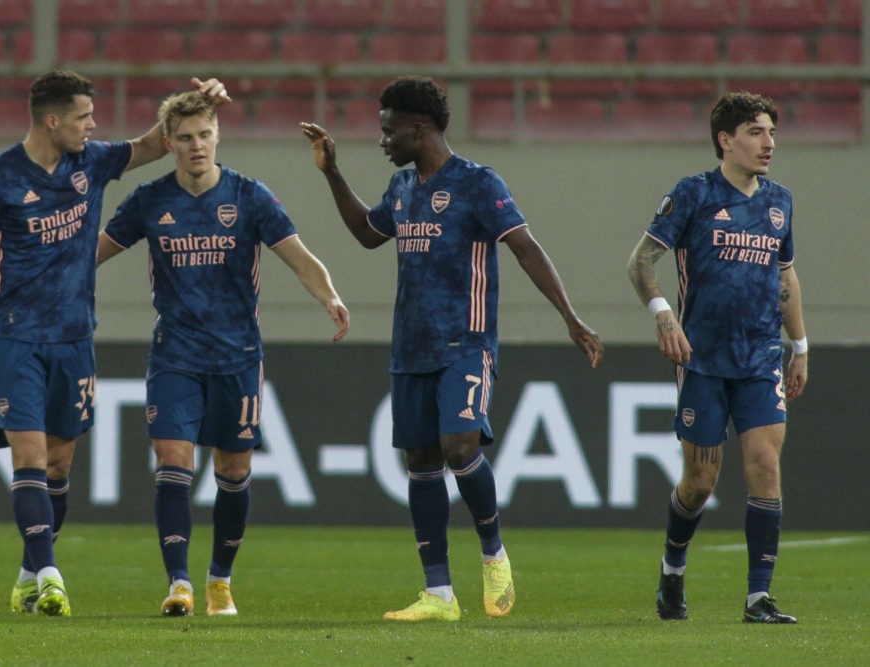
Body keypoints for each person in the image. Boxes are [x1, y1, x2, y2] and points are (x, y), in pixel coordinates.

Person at [0, 70, 230, 617]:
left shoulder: (91, 162)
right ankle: (51, 576)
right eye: (83, 117)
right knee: (27, 454)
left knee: (57, 464)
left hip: (75, 337)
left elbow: (151, 144)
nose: (93, 125)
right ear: (53, 121)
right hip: (15, 336)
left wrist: (199, 103)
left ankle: (29, 573)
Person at [301, 75, 603, 622]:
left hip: (466, 342)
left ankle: (494, 555)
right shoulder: (401, 188)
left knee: (460, 446)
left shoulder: (478, 183)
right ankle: (438, 593)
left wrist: (570, 316)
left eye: (389, 130)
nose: (382, 141)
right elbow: (369, 234)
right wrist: (332, 173)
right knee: (420, 459)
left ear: (420, 128)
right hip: (410, 346)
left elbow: (526, 248)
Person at [98, 91, 349, 618]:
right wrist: (32, 278)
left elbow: (298, 257)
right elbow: (91, 253)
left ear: (218, 136)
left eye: (204, 135)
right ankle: (179, 583)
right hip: (175, 355)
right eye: (185, 138)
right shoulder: (149, 201)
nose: (196, 146)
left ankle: (220, 580)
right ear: (167, 143)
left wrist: (329, 295)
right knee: (173, 462)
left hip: (238, 357)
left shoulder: (250, 196)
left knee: (233, 472)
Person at [626, 91, 808, 624]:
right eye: (756, 132)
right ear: (725, 140)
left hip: (759, 358)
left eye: (772, 132)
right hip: (701, 358)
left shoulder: (780, 201)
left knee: (765, 467)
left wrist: (799, 345)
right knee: (700, 482)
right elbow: (641, 262)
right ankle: (673, 570)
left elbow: (785, 274)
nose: (769, 143)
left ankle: (759, 598)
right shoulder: (693, 194)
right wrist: (663, 313)